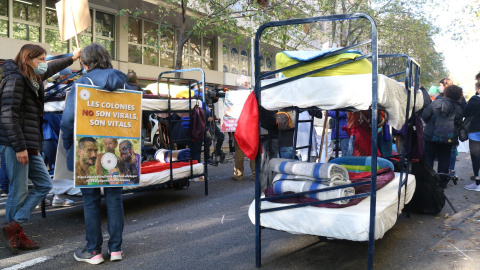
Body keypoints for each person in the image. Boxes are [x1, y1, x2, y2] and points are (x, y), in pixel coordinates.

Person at [0, 44, 80, 254]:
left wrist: (73, 57)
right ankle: (15, 235)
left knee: (44, 184)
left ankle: (14, 226)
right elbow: (8, 115)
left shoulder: (32, 78)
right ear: (28, 59)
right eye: (41, 59)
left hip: (29, 144)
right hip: (17, 144)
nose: (45, 63)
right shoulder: (16, 79)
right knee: (18, 190)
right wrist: (19, 147)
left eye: (45, 59)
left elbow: (53, 68)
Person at [61, 43, 129, 264]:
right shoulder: (124, 84)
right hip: (114, 153)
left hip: (87, 148)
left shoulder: (81, 84)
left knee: (90, 201)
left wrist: (68, 142)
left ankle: (93, 252)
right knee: (115, 198)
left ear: (85, 63)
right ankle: (116, 249)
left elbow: (69, 120)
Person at [422, 85, 464, 174]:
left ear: (446, 92)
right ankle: (441, 183)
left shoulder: (436, 103)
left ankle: (428, 181)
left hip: (431, 135)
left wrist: (429, 123)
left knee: (429, 158)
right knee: (444, 159)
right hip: (448, 137)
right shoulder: (459, 107)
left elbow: (425, 115)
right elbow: (459, 123)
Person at [232, 75, 255, 181]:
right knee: (252, 149)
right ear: (245, 84)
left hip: (236, 126)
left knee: (239, 150)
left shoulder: (231, 95)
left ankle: (238, 174)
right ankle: (255, 173)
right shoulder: (251, 94)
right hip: (249, 126)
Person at [463, 82, 480, 191]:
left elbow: (465, 112)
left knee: (476, 157)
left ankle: (478, 183)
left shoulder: (474, 100)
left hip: (475, 131)